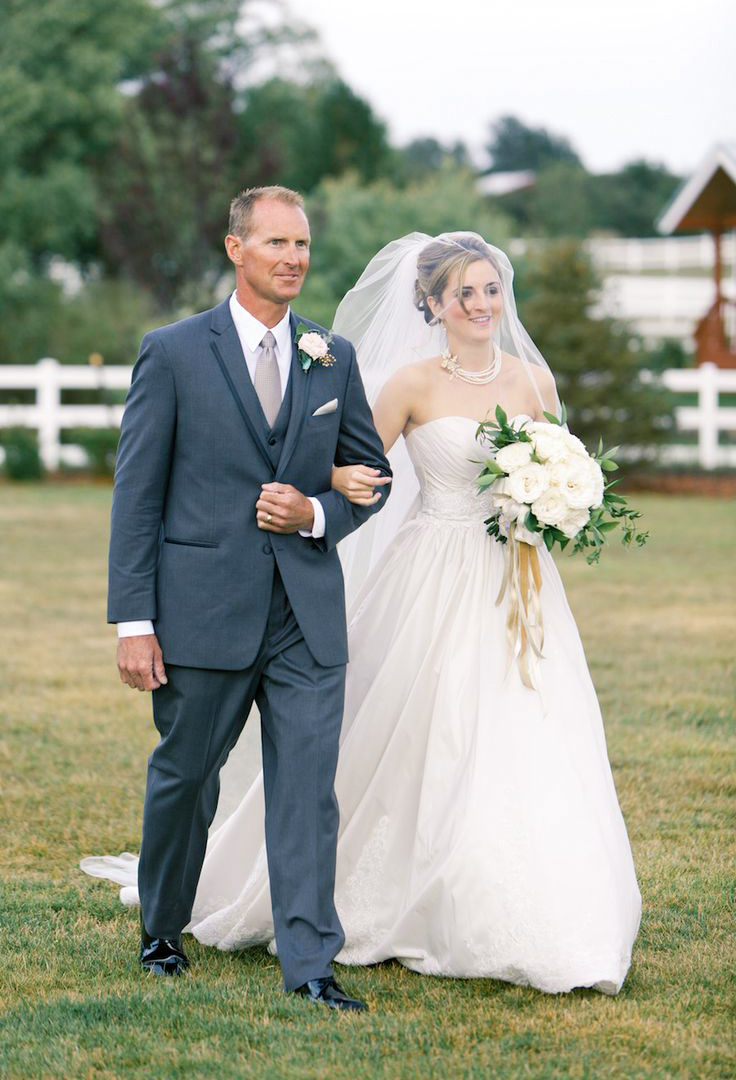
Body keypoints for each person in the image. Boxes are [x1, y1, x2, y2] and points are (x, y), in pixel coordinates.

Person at [83, 231, 641, 996]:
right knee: (415, 728)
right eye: (465, 293)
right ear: (433, 304)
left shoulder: (534, 381)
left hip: (518, 582)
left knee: (527, 731)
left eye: (490, 290)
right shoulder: (407, 383)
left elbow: (564, 466)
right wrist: (318, 495)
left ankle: (528, 904)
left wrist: (557, 504)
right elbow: (361, 472)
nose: (482, 305)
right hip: (430, 574)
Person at [86, 185, 391, 1012]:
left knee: (306, 792)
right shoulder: (175, 352)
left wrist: (317, 512)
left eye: (302, 244)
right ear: (236, 249)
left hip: (305, 617)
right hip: (200, 613)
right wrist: (135, 621)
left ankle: (310, 966)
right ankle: (162, 929)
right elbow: (137, 496)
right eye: (275, 243)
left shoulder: (335, 355)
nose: (293, 258)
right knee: (186, 777)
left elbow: (374, 478)